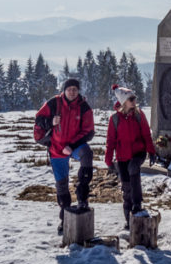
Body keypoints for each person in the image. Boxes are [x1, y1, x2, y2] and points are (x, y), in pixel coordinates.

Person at [34, 78, 95, 234]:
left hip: (75, 145)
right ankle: (65, 218)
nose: (72, 92)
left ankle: (82, 198)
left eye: (75, 89)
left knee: (87, 155)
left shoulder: (84, 107)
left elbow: (89, 132)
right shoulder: (54, 103)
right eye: (69, 89)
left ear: (78, 91)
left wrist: (72, 146)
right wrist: (50, 122)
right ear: (64, 90)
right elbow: (38, 119)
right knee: (62, 184)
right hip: (57, 149)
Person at [104, 84, 157, 229]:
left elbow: (146, 134)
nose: (134, 101)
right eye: (131, 99)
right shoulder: (114, 119)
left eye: (134, 98)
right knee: (126, 186)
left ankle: (137, 204)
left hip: (138, 153)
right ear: (123, 102)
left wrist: (151, 152)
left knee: (134, 168)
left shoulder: (139, 115)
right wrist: (108, 160)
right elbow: (111, 141)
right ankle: (129, 218)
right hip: (122, 156)